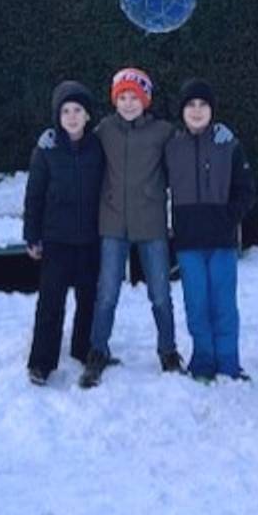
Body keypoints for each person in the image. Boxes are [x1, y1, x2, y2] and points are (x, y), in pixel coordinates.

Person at [77, 67, 185, 389]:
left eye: (134, 97)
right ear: (114, 100)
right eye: (122, 97)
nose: (128, 103)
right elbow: (77, 142)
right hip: (112, 223)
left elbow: (186, 155)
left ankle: (168, 351)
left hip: (151, 224)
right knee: (107, 293)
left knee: (161, 294)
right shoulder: (104, 130)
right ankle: (98, 351)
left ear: (145, 100)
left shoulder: (163, 132)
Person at [165, 79, 255, 381]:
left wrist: (229, 217)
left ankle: (229, 363)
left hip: (222, 242)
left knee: (224, 305)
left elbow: (246, 189)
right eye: (191, 105)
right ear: (182, 111)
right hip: (189, 242)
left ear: (212, 110)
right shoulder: (171, 145)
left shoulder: (228, 143)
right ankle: (202, 361)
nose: (197, 110)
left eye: (203, 105)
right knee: (197, 305)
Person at [22, 80, 104, 386]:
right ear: (58, 116)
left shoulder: (98, 147)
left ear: (87, 116)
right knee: (50, 302)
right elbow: (34, 195)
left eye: (78, 110)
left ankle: (83, 349)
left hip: (91, 239)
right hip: (56, 240)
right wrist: (32, 235)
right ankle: (41, 362)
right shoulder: (46, 149)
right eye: (65, 111)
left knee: (89, 299)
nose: (71, 116)